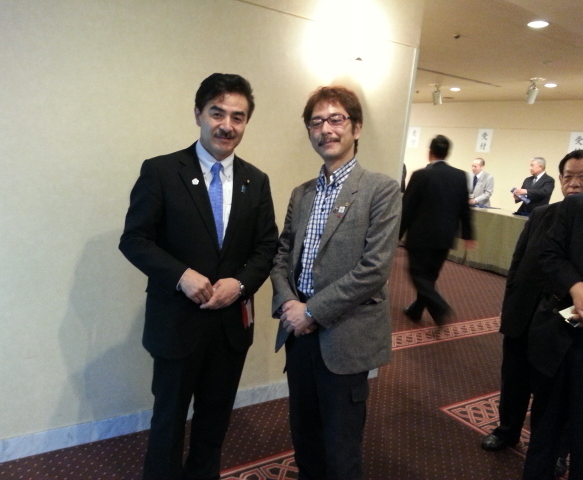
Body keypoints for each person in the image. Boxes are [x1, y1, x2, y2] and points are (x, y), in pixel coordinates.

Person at [119, 73, 278, 480]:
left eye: (238, 117)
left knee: (214, 422)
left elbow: (266, 248)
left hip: (229, 328)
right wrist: (181, 275)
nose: (227, 125)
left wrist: (240, 284)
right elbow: (134, 240)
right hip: (176, 324)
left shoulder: (256, 181)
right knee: (168, 422)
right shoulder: (161, 171)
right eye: (217, 113)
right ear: (198, 114)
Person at [270, 86, 400, 480]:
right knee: (305, 437)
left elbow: (374, 269)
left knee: (342, 448)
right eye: (316, 122)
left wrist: (312, 311)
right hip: (298, 334)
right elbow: (281, 255)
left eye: (336, 119)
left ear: (356, 128)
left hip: (344, 336)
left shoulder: (381, 190)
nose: (326, 129)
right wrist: (289, 305)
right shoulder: (302, 194)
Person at [481, 151, 583, 476]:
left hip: (562, 322)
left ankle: (558, 451)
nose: (573, 184)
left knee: (554, 398)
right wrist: (511, 310)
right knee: (514, 379)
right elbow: (518, 264)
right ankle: (507, 430)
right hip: (525, 316)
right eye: (568, 177)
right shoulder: (542, 214)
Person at [524, 151, 583, 480]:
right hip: (560, 340)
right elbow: (549, 254)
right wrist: (578, 288)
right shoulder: (580, 207)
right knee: (544, 434)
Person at [399, 135, 475, 326]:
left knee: (418, 275)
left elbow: (407, 208)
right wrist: (468, 234)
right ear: (447, 153)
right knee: (430, 276)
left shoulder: (420, 175)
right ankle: (416, 310)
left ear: (430, 152)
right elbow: (465, 208)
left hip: (421, 236)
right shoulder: (460, 176)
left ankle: (440, 307)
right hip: (445, 237)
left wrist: (396, 235)